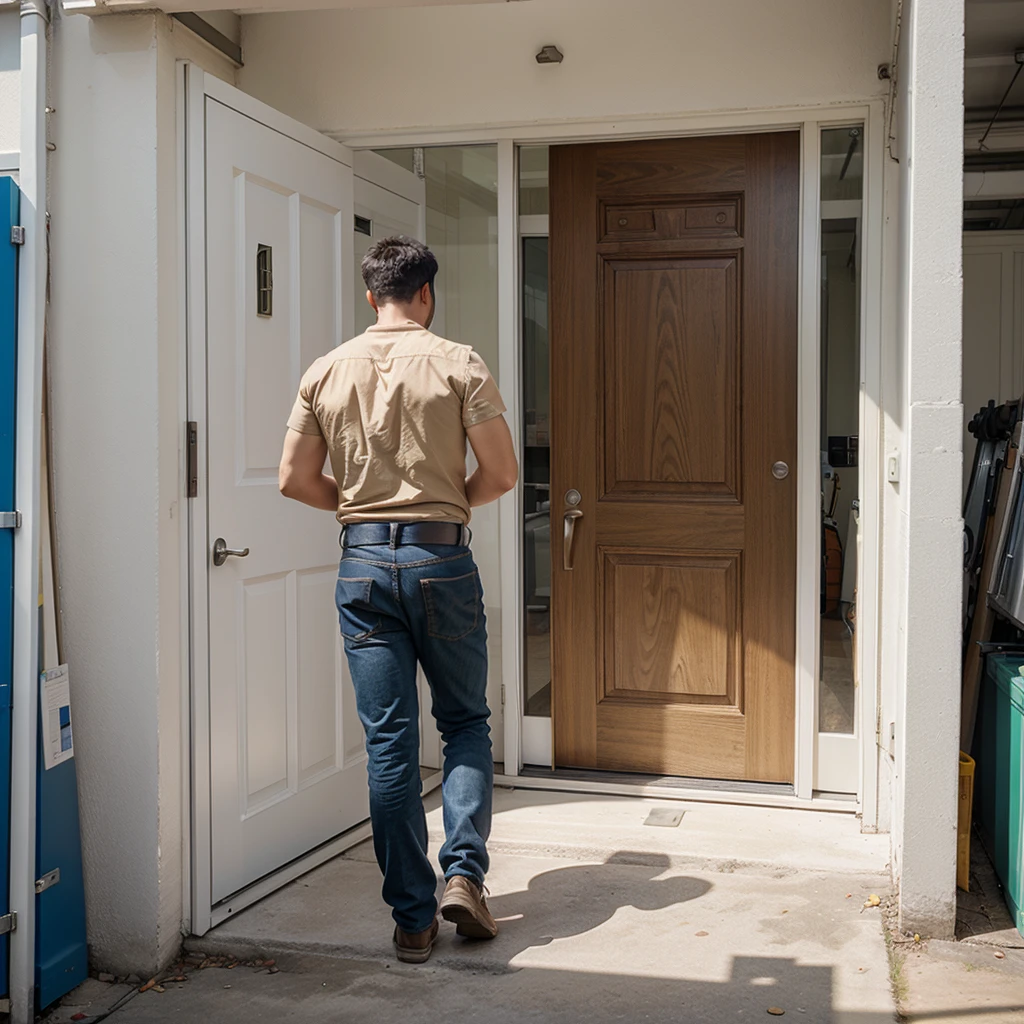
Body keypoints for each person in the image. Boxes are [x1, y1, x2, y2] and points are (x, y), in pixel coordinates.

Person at [278, 236, 518, 965]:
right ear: (426, 293)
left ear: (371, 294)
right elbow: (501, 472)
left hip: (361, 564)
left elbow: (293, 477)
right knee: (465, 721)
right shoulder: (457, 361)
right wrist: (446, 510)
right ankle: (465, 877)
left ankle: (412, 920)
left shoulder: (326, 368)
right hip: (439, 556)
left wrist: (360, 510)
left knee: (390, 742)